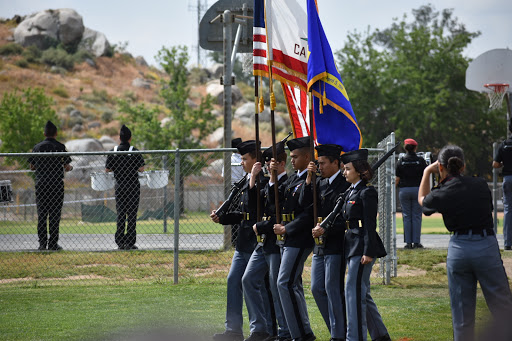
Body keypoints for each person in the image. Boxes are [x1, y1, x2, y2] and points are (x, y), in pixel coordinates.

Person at [419, 145, 512, 341]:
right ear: (463, 165)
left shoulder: (442, 192)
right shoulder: (479, 185)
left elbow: (423, 201)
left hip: (459, 248)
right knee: (503, 307)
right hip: (485, 244)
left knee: (462, 314)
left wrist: (428, 171)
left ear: (441, 167)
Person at [211, 140, 269, 341]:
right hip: (243, 241)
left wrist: (254, 177)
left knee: (253, 284)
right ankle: (234, 330)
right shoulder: (245, 181)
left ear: (255, 159)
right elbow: (243, 214)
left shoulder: (263, 180)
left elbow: (256, 208)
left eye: (245, 159)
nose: (242, 162)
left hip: (256, 242)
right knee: (233, 280)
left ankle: (259, 329)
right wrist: (223, 218)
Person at [300, 144, 350, 341]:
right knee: (316, 288)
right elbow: (304, 204)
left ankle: (340, 335)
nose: (319, 167)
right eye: (317, 163)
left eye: (322, 163)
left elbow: (344, 218)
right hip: (319, 245)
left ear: (335, 163)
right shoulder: (319, 183)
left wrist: (326, 228)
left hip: (336, 244)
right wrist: (309, 178)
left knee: (332, 288)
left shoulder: (344, 185)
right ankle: (335, 330)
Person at [242, 142, 291, 341]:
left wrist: (261, 226)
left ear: (281, 163)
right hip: (262, 242)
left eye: (272, 162)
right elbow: (255, 206)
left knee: (275, 286)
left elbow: (277, 212)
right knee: (248, 279)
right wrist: (254, 177)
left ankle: (284, 330)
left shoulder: (288, 183)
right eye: (267, 162)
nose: (268, 166)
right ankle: (260, 328)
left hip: (276, 241)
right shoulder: (265, 182)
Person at [269, 136, 315, 341]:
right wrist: (272, 176)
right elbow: (273, 200)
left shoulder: (312, 178)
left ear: (307, 156)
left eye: (296, 156)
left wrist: (287, 229)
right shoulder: (294, 178)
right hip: (287, 237)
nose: (292, 160)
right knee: (291, 285)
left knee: (284, 283)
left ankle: (298, 334)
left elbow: (307, 212)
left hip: (299, 237)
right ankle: (302, 331)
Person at [339, 149, 388, 341]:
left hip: (363, 247)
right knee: (361, 292)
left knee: (353, 291)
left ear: (359, 171)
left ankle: (355, 337)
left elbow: (369, 224)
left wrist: (368, 251)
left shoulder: (367, 192)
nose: (344, 172)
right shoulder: (350, 191)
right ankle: (380, 335)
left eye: (348, 169)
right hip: (352, 244)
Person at [29, 120, 73, 251]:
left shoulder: (37, 147)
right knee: (55, 214)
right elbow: (66, 165)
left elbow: (32, 166)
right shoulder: (60, 147)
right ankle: (53, 243)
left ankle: (42, 244)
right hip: (56, 183)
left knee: (42, 214)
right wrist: (69, 168)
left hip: (41, 183)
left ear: (44, 133)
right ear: (56, 133)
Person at [105, 125, 145, 250]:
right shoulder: (134, 151)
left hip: (120, 186)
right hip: (133, 186)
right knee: (132, 214)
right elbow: (141, 169)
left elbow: (107, 169)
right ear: (130, 138)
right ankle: (130, 242)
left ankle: (120, 242)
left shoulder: (114, 152)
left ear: (119, 138)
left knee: (121, 213)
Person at [395, 138, 427, 249]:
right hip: (418, 190)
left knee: (407, 216)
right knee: (417, 216)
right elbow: (425, 177)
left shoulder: (401, 161)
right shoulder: (420, 160)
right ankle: (417, 242)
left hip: (404, 190)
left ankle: (408, 243)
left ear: (405, 148)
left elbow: (397, 179)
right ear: (415, 148)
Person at [492, 122, 512, 251]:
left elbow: (495, 164)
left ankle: (507, 242)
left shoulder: (504, 145)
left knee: (508, 210)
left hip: (508, 178)